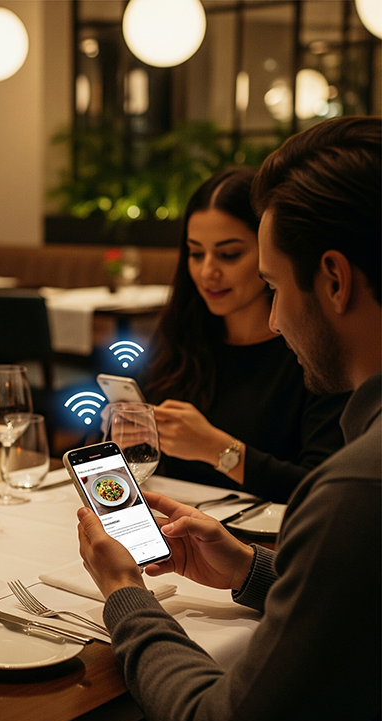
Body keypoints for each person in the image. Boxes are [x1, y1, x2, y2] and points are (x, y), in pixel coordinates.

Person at [70, 115, 381, 721]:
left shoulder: (357, 485)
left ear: (333, 279)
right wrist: (249, 567)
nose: (273, 320)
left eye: (273, 283)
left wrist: (126, 596)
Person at [137, 166, 348, 503]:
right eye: (195, 253)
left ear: (270, 252)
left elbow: (323, 490)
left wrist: (219, 449)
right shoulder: (182, 335)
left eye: (229, 254)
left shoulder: (315, 352)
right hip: (180, 530)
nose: (208, 271)